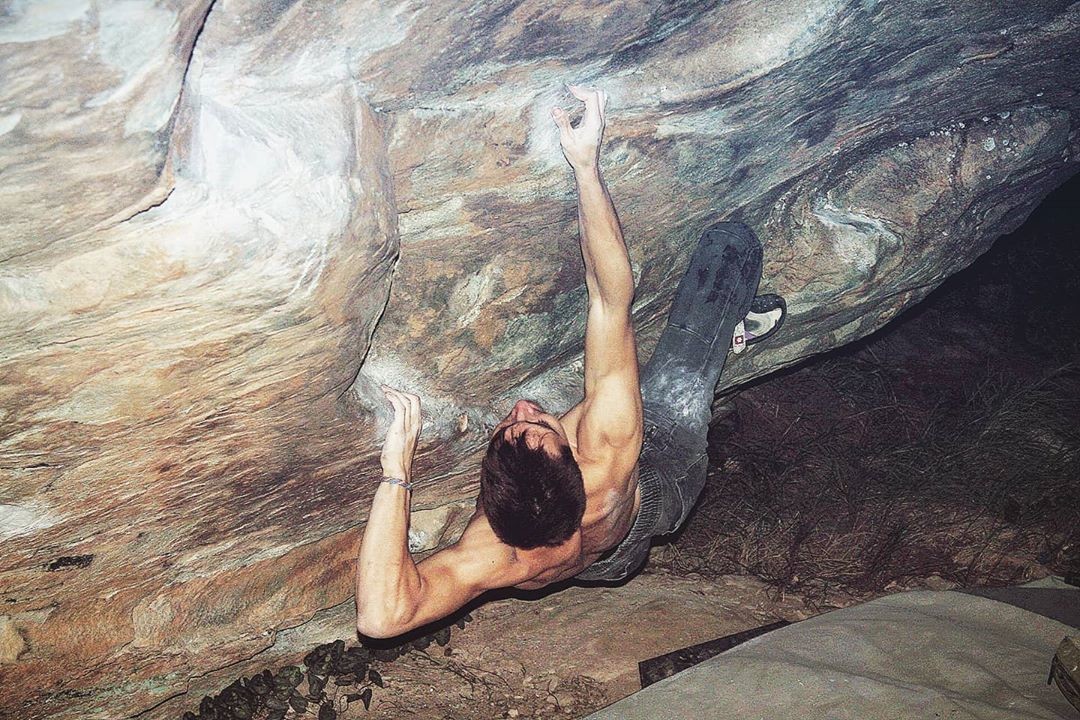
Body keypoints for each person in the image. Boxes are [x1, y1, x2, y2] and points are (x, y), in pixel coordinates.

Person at [355, 85, 784, 638]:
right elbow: (609, 297)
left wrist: (396, 474)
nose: (522, 407)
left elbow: (383, 618)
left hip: (600, 568)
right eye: (537, 423)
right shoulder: (606, 449)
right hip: (663, 487)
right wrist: (587, 168)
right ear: (574, 460)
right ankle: (727, 332)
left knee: (633, 375)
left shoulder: (498, 558)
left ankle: (723, 340)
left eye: (511, 427)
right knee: (727, 252)